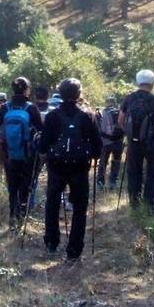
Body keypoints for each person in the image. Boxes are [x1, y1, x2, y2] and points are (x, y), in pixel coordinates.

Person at [37, 78, 101, 263]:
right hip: (80, 167)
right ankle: (74, 251)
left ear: (60, 93)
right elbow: (97, 147)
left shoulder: (52, 116)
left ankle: (51, 242)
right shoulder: (88, 115)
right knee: (80, 208)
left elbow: (42, 146)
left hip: (56, 166)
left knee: (52, 203)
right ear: (79, 94)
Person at [0, 76, 45, 228]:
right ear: (27, 90)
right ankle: (22, 217)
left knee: (12, 187)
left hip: (9, 155)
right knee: (25, 186)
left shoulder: (5, 108)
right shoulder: (31, 108)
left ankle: (12, 217)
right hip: (27, 155)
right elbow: (42, 130)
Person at [118, 69, 154, 211]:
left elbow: (120, 120)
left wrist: (128, 133)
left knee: (134, 171)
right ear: (152, 83)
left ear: (138, 82)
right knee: (152, 172)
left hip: (133, 142)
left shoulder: (129, 98)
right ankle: (149, 204)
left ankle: (134, 202)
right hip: (152, 143)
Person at [96, 95, 123, 190]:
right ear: (115, 102)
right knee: (116, 162)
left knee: (103, 162)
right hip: (118, 141)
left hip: (106, 142)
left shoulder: (104, 112)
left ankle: (100, 183)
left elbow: (101, 129)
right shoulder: (120, 112)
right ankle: (113, 182)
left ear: (107, 103)